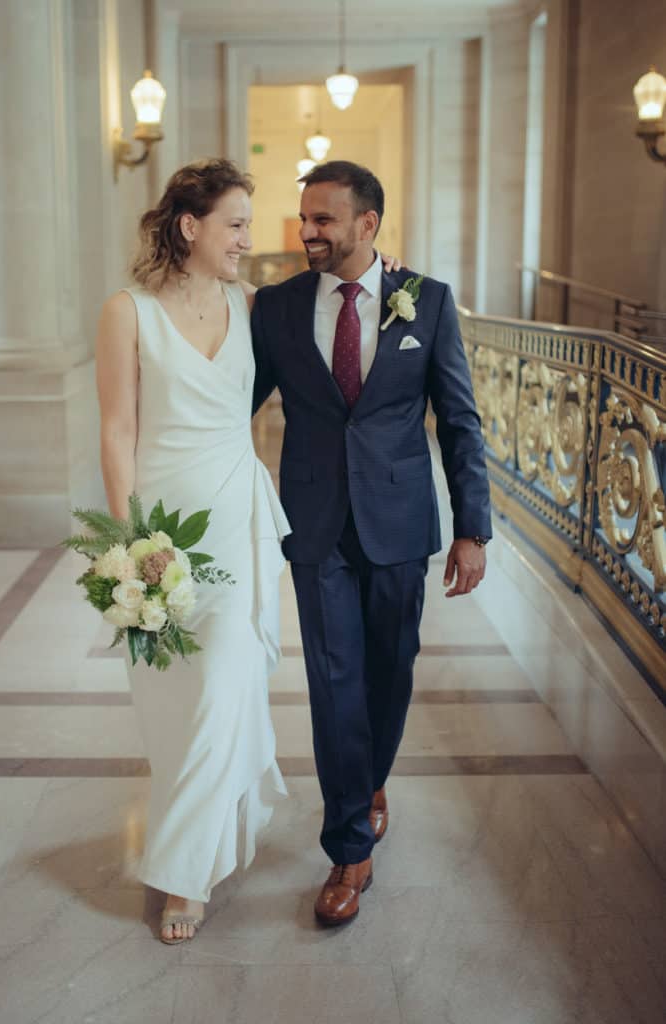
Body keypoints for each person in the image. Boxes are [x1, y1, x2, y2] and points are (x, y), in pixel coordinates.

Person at [251, 160, 492, 926]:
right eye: (304, 217)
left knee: (389, 672)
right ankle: (348, 846)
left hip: (397, 524)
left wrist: (471, 528)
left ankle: (369, 776)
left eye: (324, 219)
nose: (307, 231)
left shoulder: (428, 302)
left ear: (366, 224)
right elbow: (234, 407)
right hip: (315, 525)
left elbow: (458, 421)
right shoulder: (277, 307)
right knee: (332, 681)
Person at [95, 159, 290, 944]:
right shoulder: (127, 312)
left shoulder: (251, 307)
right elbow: (115, 432)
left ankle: (183, 877)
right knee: (174, 709)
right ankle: (200, 833)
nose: (248, 238)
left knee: (222, 683)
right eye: (236, 224)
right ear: (190, 227)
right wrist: (132, 542)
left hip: (238, 524)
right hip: (164, 534)